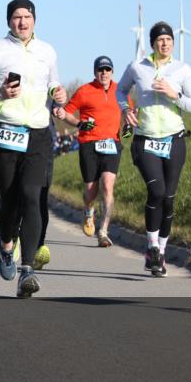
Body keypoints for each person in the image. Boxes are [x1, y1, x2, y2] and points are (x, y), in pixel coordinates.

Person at [0, 0, 65, 298]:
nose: (22, 22)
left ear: (35, 20)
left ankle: (27, 270)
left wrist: (58, 94)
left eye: (27, 16)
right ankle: (6, 245)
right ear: (8, 21)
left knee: (32, 196)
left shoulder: (47, 51)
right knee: (10, 198)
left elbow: (53, 84)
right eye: (16, 17)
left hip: (38, 132)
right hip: (6, 131)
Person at [116, 22, 191, 276]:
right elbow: (120, 90)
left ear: (173, 43)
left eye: (169, 40)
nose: (165, 43)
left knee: (168, 199)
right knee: (157, 191)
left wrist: (175, 95)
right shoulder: (137, 67)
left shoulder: (182, 69)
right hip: (145, 139)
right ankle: (152, 247)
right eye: (160, 40)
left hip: (174, 140)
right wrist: (126, 109)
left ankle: (161, 253)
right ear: (152, 43)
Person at [54, 55, 131, 248]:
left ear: (112, 72)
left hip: (112, 143)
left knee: (107, 185)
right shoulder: (84, 91)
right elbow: (67, 113)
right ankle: (89, 210)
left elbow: (129, 113)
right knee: (90, 192)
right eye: (100, 70)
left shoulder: (120, 91)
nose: (104, 73)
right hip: (89, 144)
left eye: (107, 69)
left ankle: (103, 231)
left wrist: (129, 126)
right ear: (95, 72)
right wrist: (77, 122)